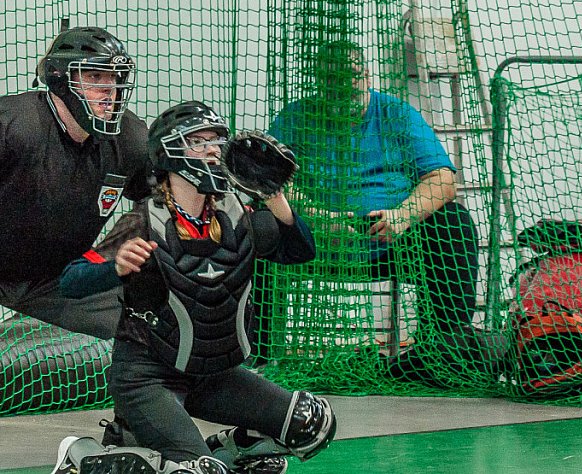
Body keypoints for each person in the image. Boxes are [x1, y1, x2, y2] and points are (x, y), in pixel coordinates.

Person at [53, 101, 335, 474]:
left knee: (311, 423)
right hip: (147, 378)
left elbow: (301, 251)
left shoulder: (235, 214)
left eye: (216, 141)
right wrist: (116, 266)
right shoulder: (144, 221)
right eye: (199, 142)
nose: (213, 150)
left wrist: (274, 196)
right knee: (198, 472)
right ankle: (83, 457)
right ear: (170, 153)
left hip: (212, 375)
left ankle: (226, 453)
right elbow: (71, 282)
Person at [268, 40, 483, 384]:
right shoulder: (294, 118)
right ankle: (258, 355)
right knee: (259, 227)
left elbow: (442, 179)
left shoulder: (397, 114)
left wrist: (402, 216)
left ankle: (444, 351)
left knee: (454, 222)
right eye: (331, 79)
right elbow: (269, 180)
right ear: (318, 81)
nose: (342, 86)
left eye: (351, 76)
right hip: (314, 242)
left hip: (390, 241)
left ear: (366, 74)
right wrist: (316, 218)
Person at [0, 24, 150, 340]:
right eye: (95, 76)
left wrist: (110, 254)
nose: (109, 89)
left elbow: (160, 202)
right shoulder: (12, 126)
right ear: (59, 79)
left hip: (58, 283)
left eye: (114, 77)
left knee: (150, 321)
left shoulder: (130, 139)